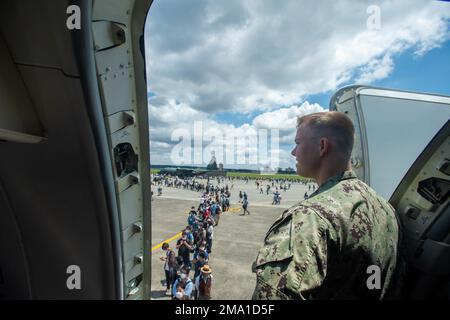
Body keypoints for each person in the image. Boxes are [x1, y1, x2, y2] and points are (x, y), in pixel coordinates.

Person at [252, 111, 401, 300]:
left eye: (298, 143)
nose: (293, 152)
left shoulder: (310, 217)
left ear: (322, 146)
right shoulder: (385, 208)